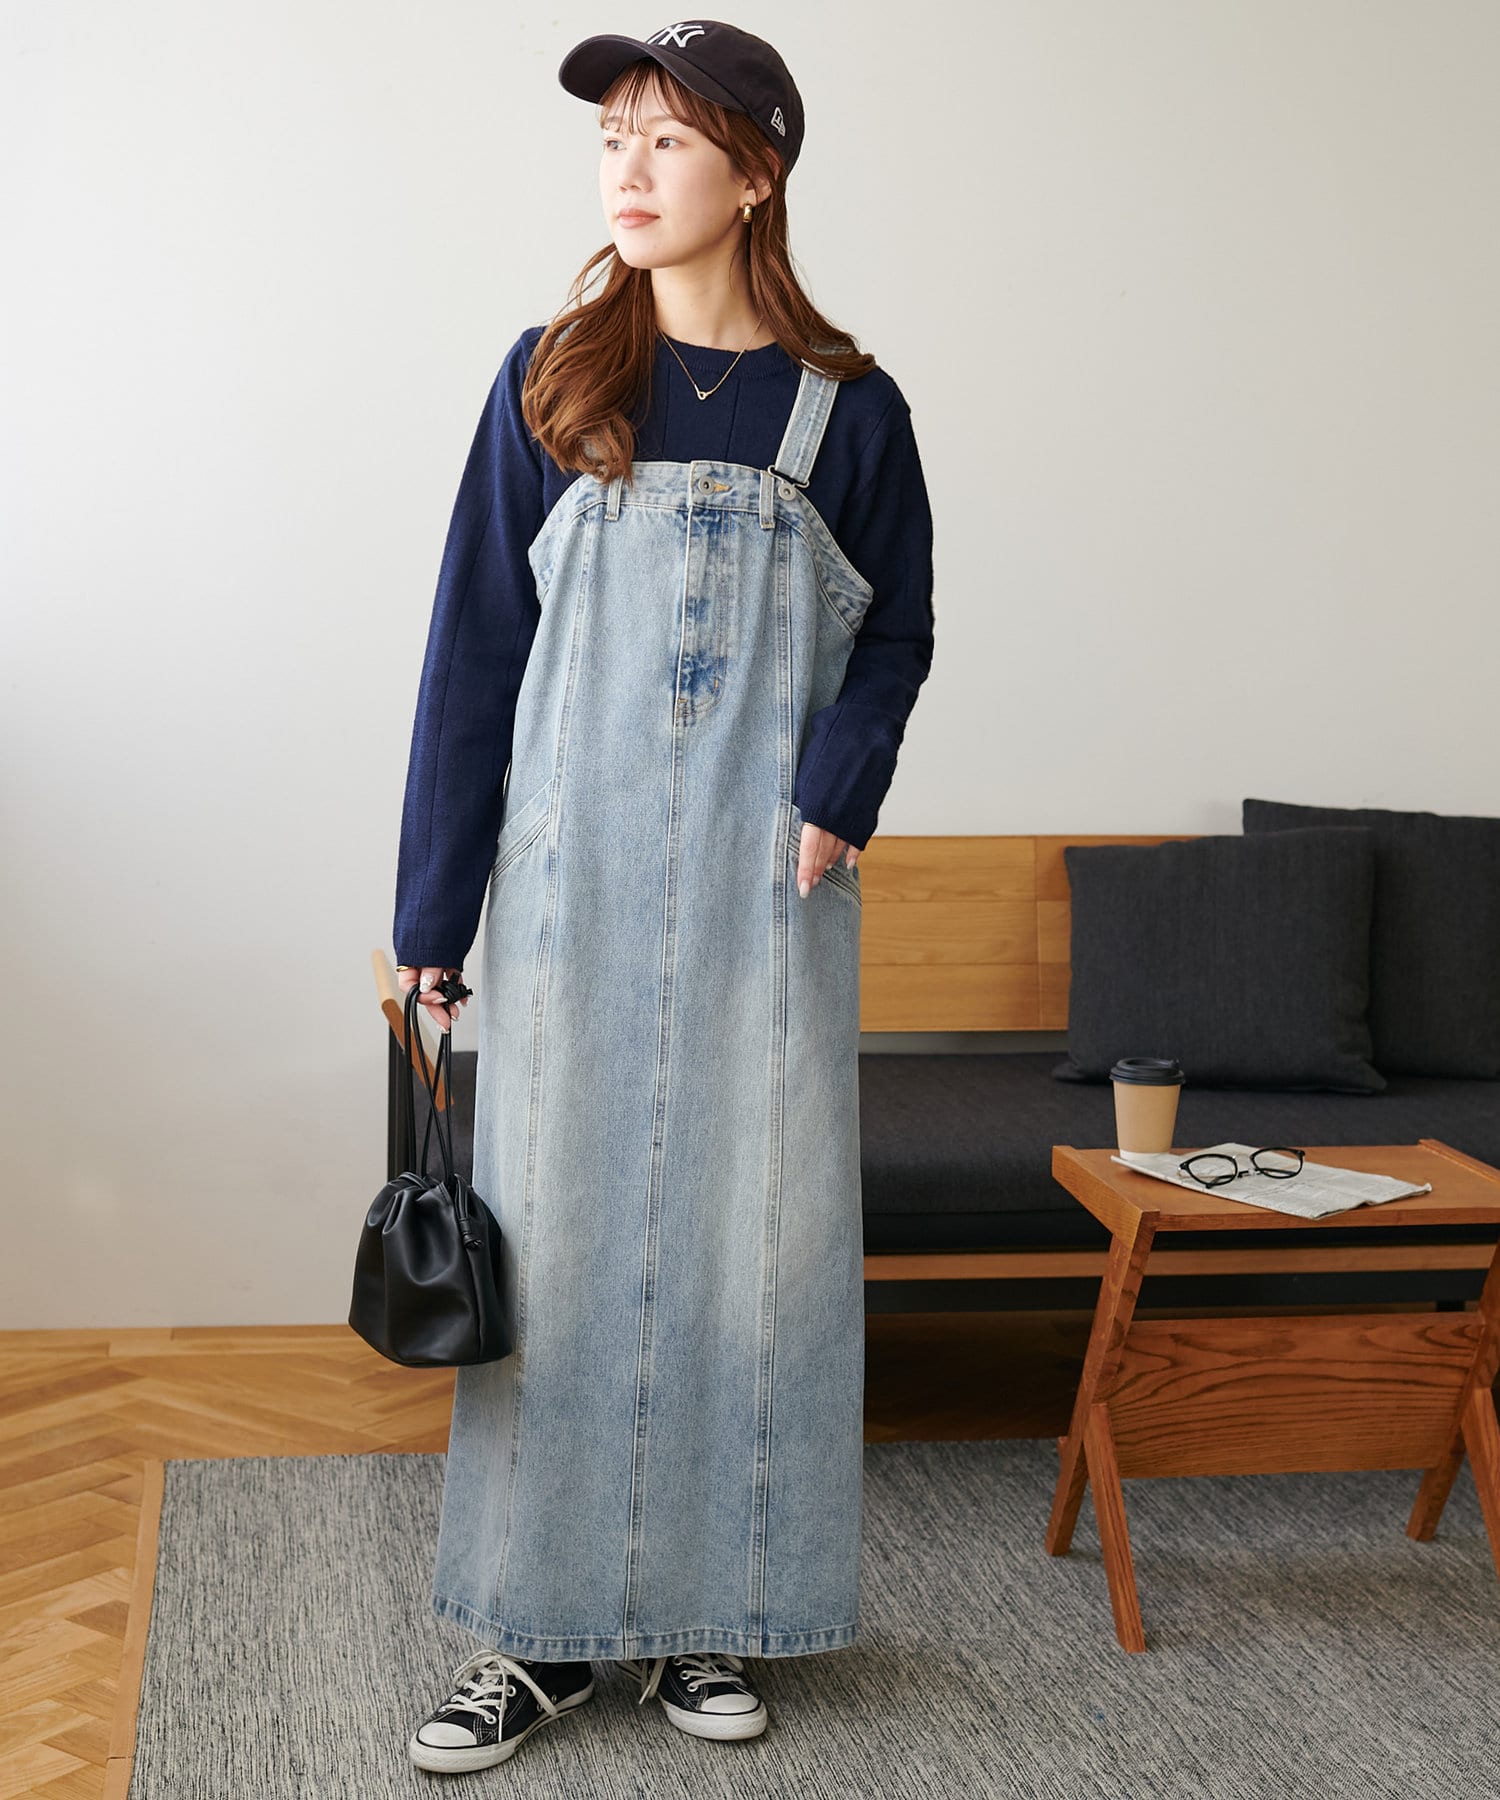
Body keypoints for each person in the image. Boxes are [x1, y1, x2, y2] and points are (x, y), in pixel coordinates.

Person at [393, 20, 935, 1775]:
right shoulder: (551, 381)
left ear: (756, 172)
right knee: (553, 1246)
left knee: (751, 1249)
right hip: (571, 896)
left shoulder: (853, 412)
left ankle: (717, 1615)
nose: (627, 172)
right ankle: (537, 1635)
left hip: (771, 908)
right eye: (611, 138)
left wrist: (843, 785)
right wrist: (430, 922)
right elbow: (473, 658)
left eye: (668, 140)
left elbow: (899, 636)